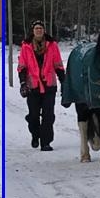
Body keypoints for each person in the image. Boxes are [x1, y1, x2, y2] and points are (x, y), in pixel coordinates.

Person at [17, 20, 65, 151]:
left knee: (48, 115)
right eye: (36, 28)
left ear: (44, 30)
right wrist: (23, 83)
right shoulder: (26, 46)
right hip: (33, 86)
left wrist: (63, 82)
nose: (38, 30)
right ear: (33, 31)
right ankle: (35, 134)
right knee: (33, 116)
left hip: (49, 85)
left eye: (41, 28)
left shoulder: (52, 45)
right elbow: (22, 66)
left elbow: (58, 65)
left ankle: (46, 142)